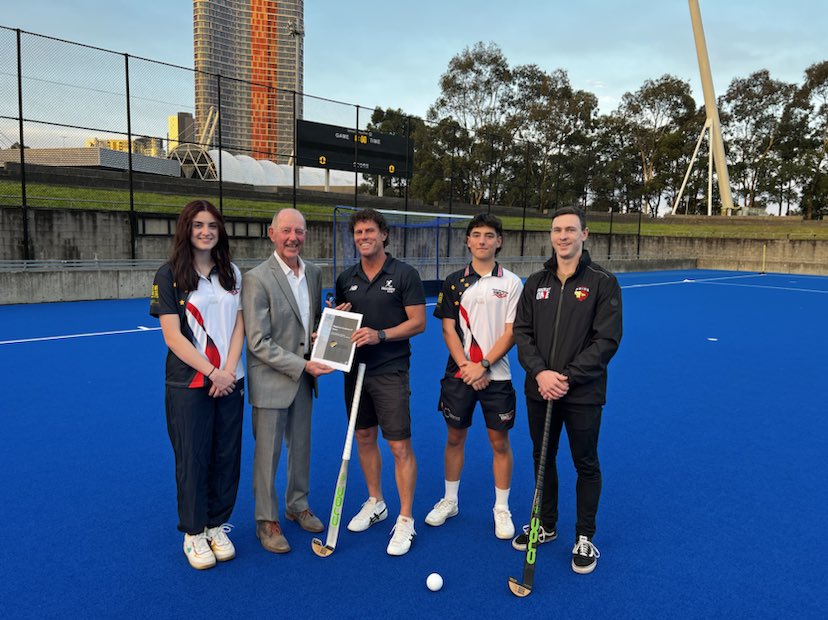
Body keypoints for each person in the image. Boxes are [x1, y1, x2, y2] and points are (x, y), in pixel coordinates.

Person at [512, 206, 622, 575]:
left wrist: (567, 377)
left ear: (584, 235)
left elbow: (606, 341)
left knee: (585, 462)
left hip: (582, 393)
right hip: (540, 389)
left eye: (570, 230)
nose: (563, 236)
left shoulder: (602, 282)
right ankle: (546, 524)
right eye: (557, 230)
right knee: (542, 457)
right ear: (551, 235)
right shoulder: (535, 282)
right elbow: (522, 334)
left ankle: (585, 535)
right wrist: (542, 373)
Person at [150, 199, 245, 570]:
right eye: (198, 225)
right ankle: (193, 533)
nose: (206, 231)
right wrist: (212, 371)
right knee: (193, 458)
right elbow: (173, 336)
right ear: (186, 230)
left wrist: (229, 371)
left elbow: (239, 326)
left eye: (212, 226)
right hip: (190, 384)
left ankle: (216, 525)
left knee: (226, 456)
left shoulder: (232, 273)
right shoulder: (169, 274)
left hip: (230, 382)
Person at [334, 208, 426, 556]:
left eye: (369, 231)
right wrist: (335, 321)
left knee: (399, 446)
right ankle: (376, 501)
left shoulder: (404, 274)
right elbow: (343, 323)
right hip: (353, 371)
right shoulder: (346, 277)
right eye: (358, 232)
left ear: (384, 234)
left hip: (390, 371)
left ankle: (405, 519)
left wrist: (381, 335)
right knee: (364, 436)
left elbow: (418, 323)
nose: (363, 237)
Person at [426, 213, 523, 540]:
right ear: (467, 241)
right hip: (459, 375)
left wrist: (483, 365)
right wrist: (467, 366)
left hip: (496, 376)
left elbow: (511, 332)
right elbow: (448, 328)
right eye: (477, 235)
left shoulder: (511, 283)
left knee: (499, 442)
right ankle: (450, 501)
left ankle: (501, 508)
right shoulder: (453, 281)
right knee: (455, 437)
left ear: (499, 241)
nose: (482, 240)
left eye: (489, 235)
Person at [242, 208, 333, 554]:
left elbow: (309, 324)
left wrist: (323, 334)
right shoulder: (257, 278)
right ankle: (266, 521)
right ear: (272, 233)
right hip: (271, 380)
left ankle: (297, 505)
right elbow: (258, 342)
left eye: (299, 231)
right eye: (286, 231)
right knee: (268, 456)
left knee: (302, 448)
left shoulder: (313, 272)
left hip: (304, 380)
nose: (293, 237)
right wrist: (303, 364)